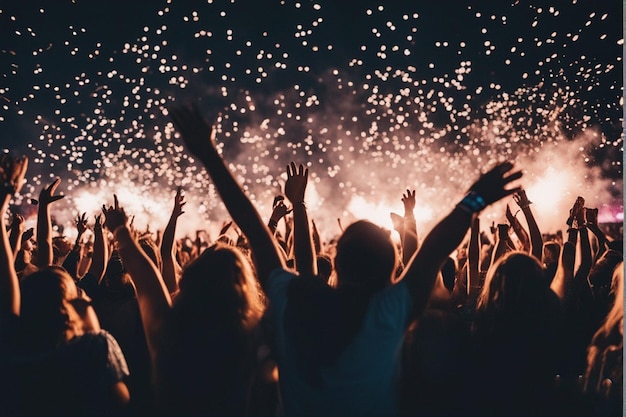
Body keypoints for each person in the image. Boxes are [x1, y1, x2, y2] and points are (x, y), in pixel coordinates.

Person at [169, 104, 522, 416]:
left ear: (336, 264)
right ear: (391, 270)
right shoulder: (390, 311)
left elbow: (255, 230)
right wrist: (476, 200)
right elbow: (436, 247)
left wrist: (209, 156)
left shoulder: (297, 302)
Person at [0, 155, 130, 417]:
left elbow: (41, 251)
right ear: (73, 303)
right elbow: (122, 403)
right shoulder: (92, 349)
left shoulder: (13, 348)